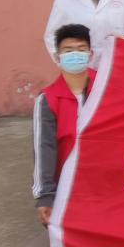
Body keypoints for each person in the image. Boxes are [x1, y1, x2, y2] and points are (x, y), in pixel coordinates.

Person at [32, 24, 97, 226]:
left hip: (105, 180)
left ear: (91, 54)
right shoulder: (48, 99)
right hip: (68, 182)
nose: (75, 55)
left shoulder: (107, 88)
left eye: (81, 49)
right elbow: (44, 149)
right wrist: (46, 196)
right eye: (68, 51)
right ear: (57, 56)